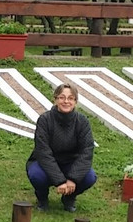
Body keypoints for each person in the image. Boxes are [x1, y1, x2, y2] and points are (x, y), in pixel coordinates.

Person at [26, 82, 97, 212]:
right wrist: (59, 180)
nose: (66, 101)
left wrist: (73, 179)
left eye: (70, 98)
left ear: (75, 101)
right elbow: (43, 152)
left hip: (70, 163)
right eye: (62, 97)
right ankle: (42, 199)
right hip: (44, 163)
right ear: (55, 99)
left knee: (89, 177)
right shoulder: (45, 120)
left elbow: (87, 152)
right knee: (36, 175)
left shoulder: (82, 122)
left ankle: (69, 198)